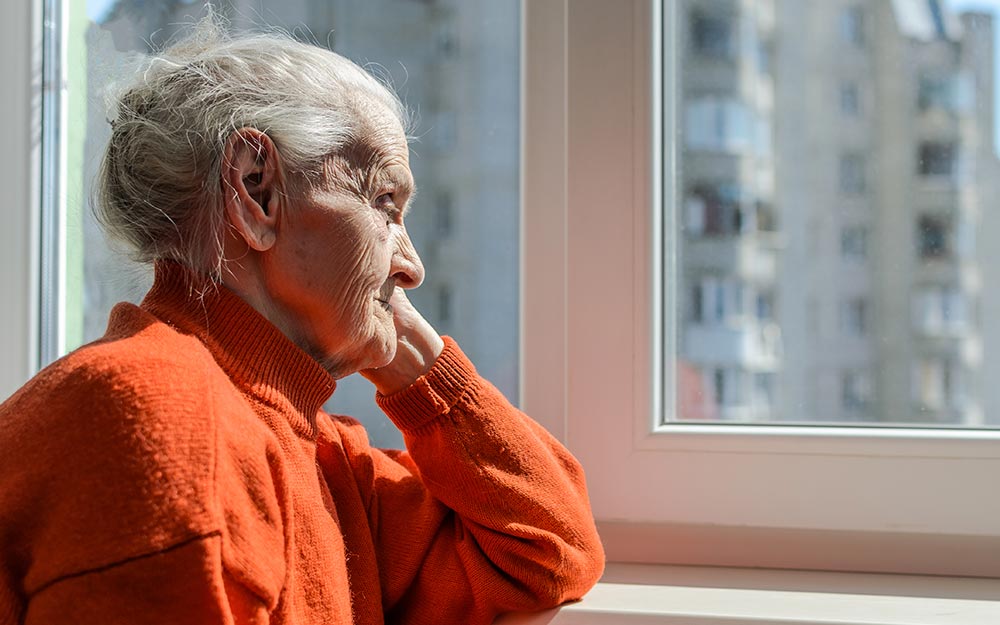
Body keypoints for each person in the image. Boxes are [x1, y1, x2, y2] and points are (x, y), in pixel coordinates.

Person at [0, 21, 604, 625]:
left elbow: (548, 553)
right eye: (385, 204)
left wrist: (413, 357)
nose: (413, 266)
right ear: (256, 189)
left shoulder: (320, 456)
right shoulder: (164, 415)